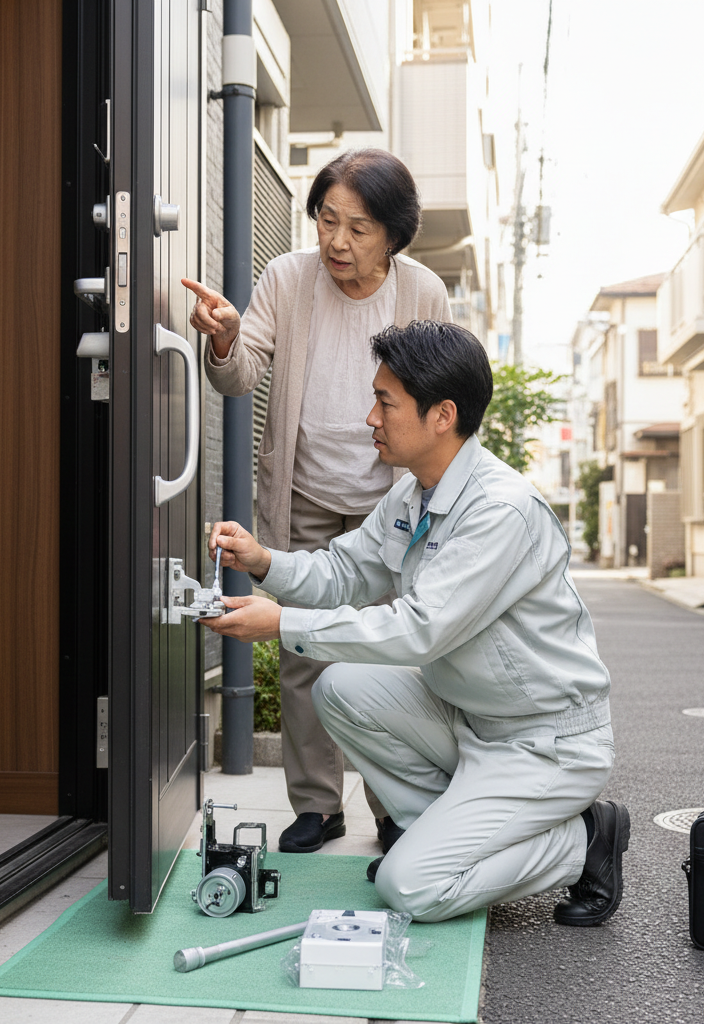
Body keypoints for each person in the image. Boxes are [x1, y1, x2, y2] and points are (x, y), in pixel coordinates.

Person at [200, 320, 630, 925]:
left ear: (442, 415)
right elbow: (342, 572)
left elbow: (419, 629)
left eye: (385, 402)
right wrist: (262, 560)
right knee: (340, 687)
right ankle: (438, 836)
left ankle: (583, 842)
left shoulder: (500, 510)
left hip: (544, 743)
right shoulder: (412, 496)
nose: (370, 418)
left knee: (409, 888)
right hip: (471, 720)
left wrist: (281, 624)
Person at [183, 149, 451, 857]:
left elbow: (446, 396)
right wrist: (227, 337)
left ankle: (393, 807)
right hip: (303, 493)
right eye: (327, 220)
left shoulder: (423, 293)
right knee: (302, 649)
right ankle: (316, 805)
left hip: (392, 503)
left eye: (358, 228)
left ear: (393, 235)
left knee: (388, 656)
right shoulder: (287, 278)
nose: (337, 241)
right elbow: (238, 376)